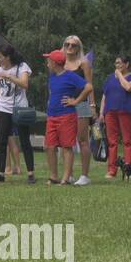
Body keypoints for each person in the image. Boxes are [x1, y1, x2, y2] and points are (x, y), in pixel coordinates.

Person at [43, 50, 89, 185]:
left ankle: (65, 178)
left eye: (49, 61)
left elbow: (88, 87)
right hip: (52, 116)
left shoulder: (71, 76)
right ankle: (53, 176)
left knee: (67, 146)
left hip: (67, 116)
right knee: (49, 146)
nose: (47, 64)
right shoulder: (52, 77)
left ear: (55, 63)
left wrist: (75, 101)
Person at [0, 45, 34, 182]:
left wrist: (8, 76)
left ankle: (31, 173)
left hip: (19, 108)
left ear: (8, 57)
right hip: (3, 109)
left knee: (25, 141)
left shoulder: (22, 67)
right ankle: (0, 173)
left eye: (0, 56)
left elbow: (25, 84)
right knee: (1, 141)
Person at [61, 35, 95, 182]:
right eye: (67, 44)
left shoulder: (84, 63)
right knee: (65, 141)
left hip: (82, 104)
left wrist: (93, 105)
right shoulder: (60, 62)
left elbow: (90, 86)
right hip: (64, 104)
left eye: (73, 45)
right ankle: (69, 174)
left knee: (82, 139)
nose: (69, 47)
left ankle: (84, 175)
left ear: (78, 48)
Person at [100, 54, 131, 178]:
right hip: (110, 112)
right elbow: (104, 96)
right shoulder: (110, 78)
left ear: (127, 64)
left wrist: (120, 75)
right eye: (116, 63)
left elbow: (128, 87)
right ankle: (112, 170)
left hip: (126, 111)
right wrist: (102, 113)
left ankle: (128, 170)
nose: (117, 65)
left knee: (128, 141)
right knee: (112, 142)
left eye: (120, 63)